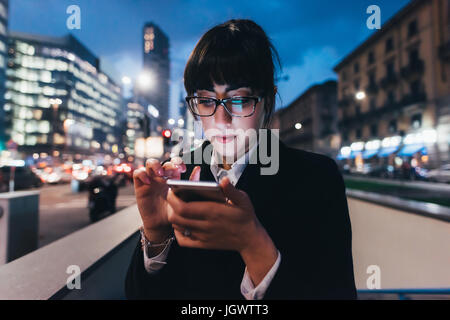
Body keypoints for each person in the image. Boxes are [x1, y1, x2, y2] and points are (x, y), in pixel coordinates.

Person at [125, 19, 356, 300]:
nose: (222, 120)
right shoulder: (181, 174)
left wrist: (254, 244)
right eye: (207, 101)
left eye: (239, 100)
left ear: (267, 101)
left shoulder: (316, 178)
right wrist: (155, 233)